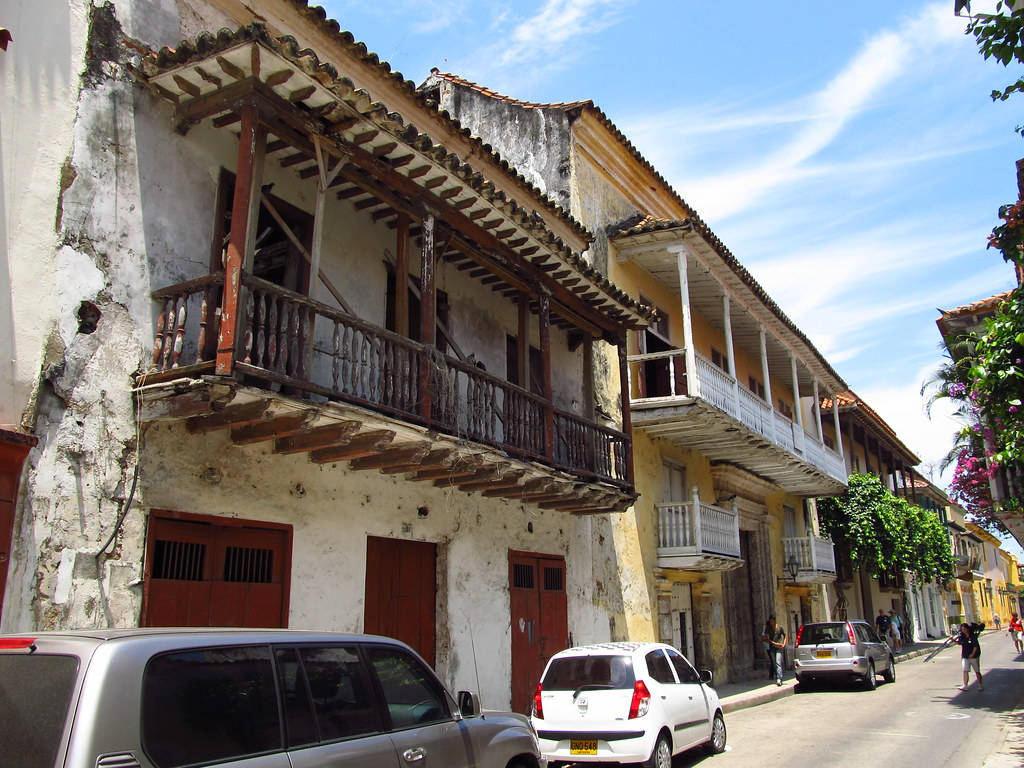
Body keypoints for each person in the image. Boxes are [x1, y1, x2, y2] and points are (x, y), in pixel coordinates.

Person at [954, 622, 983, 691]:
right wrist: (954, 641)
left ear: (967, 629)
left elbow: (975, 647)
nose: (963, 631)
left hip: (974, 657)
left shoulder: (972, 636)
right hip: (965, 656)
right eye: (962, 629)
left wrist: (972, 654)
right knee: (965, 670)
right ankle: (965, 685)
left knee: (977, 671)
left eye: (964, 629)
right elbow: (960, 643)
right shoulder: (962, 637)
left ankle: (980, 684)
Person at [761, 615, 787, 686]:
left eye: (772, 621)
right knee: (774, 663)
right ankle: (777, 676)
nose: (771, 622)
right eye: (770, 621)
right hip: (772, 647)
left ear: (774, 621)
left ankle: (779, 678)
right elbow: (766, 637)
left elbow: (785, 636)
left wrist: (784, 644)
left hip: (779, 647)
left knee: (778, 662)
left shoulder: (779, 627)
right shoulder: (768, 628)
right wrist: (772, 642)